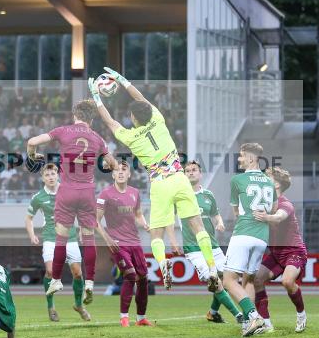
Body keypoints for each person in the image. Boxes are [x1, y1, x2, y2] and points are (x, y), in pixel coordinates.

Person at [88, 67, 220, 293]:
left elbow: (110, 123)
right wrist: (123, 79)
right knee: (197, 225)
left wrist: (97, 97)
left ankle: (162, 264)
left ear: (134, 118)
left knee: (156, 233)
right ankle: (212, 269)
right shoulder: (158, 119)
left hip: (159, 185)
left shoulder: (131, 137)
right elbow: (141, 99)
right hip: (179, 178)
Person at [26, 100, 117, 301]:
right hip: (87, 193)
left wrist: (32, 156)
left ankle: (57, 280)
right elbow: (114, 164)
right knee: (89, 238)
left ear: (74, 115)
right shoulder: (98, 138)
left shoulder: (63, 130)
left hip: (66, 193)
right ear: (91, 119)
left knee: (61, 238)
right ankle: (90, 283)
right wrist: (107, 164)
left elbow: (32, 142)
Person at [178, 160, 242, 324]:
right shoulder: (180, 196)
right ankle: (239, 316)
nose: (191, 172)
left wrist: (219, 222)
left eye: (194, 170)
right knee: (214, 280)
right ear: (184, 175)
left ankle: (213, 313)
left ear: (200, 174)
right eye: (187, 171)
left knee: (227, 280)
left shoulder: (208, 195)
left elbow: (215, 214)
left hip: (213, 247)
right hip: (194, 249)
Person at [222, 143, 276, 337]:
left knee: (228, 280)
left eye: (242, 156)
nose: (239, 159)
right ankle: (249, 324)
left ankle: (254, 316)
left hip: (244, 232)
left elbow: (236, 211)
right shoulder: (270, 182)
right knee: (249, 279)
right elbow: (274, 208)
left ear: (251, 158)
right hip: (262, 237)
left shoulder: (238, 180)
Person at [25, 164, 89, 322]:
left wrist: (82, 229)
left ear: (58, 175)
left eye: (53, 174)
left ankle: (79, 305)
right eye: (47, 175)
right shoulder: (38, 197)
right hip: (50, 238)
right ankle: (51, 307)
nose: (51, 177)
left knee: (77, 273)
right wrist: (32, 235)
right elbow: (29, 218)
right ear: (43, 178)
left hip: (70, 237)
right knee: (51, 272)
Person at [95, 162, 151, 327]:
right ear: (112, 175)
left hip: (135, 242)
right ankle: (124, 317)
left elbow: (138, 215)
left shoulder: (135, 193)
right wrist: (107, 239)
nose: (120, 172)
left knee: (143, 278)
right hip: (117, 243)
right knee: (130, 275)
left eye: (124, 170)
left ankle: (141, 318)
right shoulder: (105, 194)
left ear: (129, 175)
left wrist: (145, 224)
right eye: (117, 170)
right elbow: (95, 221)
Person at [252, 167, 308, 333]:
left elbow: (279, 217)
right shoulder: (264, 203)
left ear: (276, 184)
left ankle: (301, 314)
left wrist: (266, 217)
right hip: (276, 254)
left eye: (266, 177)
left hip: (294, 251)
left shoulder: (285, 204)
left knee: (287, 282)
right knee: (257, 280)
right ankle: (267, 324)